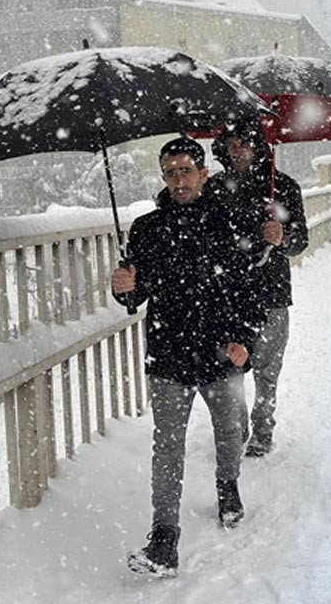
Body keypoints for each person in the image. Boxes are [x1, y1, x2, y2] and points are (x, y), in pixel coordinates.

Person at [113, 136, 265, 578]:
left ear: (203, 174)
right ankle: (164, 539)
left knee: (230, 430)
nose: (179, 180)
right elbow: (134, 297)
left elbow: (249, 293)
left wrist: (245, 341)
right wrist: (123, 286)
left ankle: (227, 485)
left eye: (186, 171)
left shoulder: (227, 223)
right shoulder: (146, 229)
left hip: (220, 351)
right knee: (167, 447)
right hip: (169, 353)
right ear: (163, 177)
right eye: (171, 172)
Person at [209, 120, 309, 458]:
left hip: (272, 293)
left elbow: (300, 241)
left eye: (244, 143)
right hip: (228, 296)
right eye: (231, 143)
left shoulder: (284, 187)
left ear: (258, 146)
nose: (237, 150)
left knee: (267, 370)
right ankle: (237, 427)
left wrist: (283, 238)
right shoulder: (215, 188)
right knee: (230, 369)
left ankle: (263, 427)